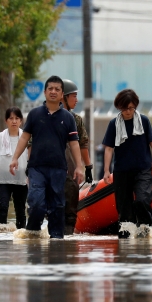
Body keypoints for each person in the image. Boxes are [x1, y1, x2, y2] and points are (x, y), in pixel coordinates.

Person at [9, 76, 84, 239]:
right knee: (36, 203)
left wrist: (79, 166)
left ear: (62, 93)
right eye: (50, 89)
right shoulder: (35, 114)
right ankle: (33, 234)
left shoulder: (68, 118)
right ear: (44, 92)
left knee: (57, 206)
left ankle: (56, 242)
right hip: (37, 168)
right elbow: (24, 138)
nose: (53, 92)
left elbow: (74, 144)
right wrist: (15, 158)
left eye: (57, 89)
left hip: (58, 169)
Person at [102, 89, 152, 239]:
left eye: (131, 108)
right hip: (121, 171)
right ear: (119, 107)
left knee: (142, 200)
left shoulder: (143, 121)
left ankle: (145, 232)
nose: (128, 111)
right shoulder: (114, 124)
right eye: (124, 108)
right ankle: (125, 242)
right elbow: (108, 148)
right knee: (124, 209)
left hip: (142, 169)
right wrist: (106, 170)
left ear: (135, 106)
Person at [0, 107, 28, 229]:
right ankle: (0, 235)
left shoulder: (26, 137)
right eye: (11, 118)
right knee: (2, 207)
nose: (14, 121)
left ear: (21, 121)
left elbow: (31, 156)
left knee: (20, 210)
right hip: (3, 180)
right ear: (6, 121)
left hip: (21, 179)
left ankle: (21, 235)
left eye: (17, 118)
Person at [61, 79, 93, 235]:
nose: (77, 100)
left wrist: (88, 167)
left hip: (71, 169)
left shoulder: (76, 120)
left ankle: (66, 241)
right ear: (64, 97)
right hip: (49, 168)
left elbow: (83, 144)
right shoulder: (44, 116)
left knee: (70, 208)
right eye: (73, 96)